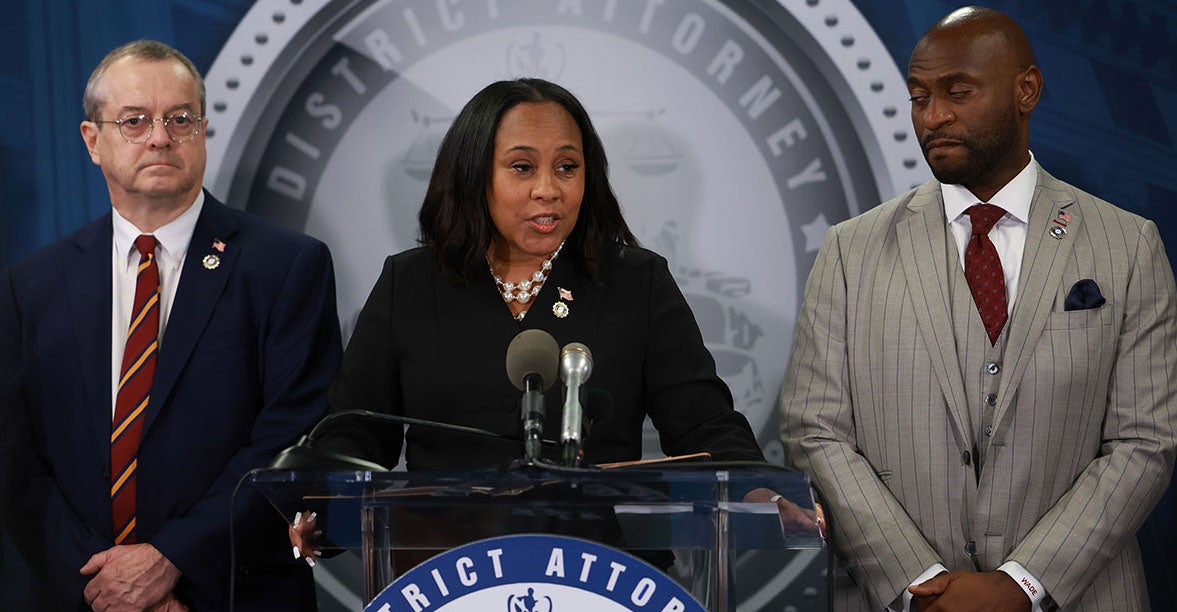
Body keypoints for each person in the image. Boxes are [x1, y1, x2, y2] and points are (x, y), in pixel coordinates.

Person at [290, 78, 817, 560]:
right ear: (474, 175)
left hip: (602, 573)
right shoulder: (410, 283)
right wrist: (320, 509)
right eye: (522, 167)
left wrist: (759, 489)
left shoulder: (635, 280)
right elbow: (355, 431)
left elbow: (703, 423)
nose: (549, 189)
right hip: (446, 574)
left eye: (567, 167)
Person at [779, 6, 1176, 612]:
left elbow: (1144, 440)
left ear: (1026, 90)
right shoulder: (849, 251)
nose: (933, 116)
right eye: (918, 98)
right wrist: (919, 583)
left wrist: (1023, 584)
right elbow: (814, 431)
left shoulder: (1128, 245)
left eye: (957, 92)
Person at [0, 40, 342, 610]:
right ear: (93, 141)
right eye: (134, 121)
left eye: (180, 119)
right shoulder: (31, 286)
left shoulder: (286, 266)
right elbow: (15, 459)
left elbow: (293, 441)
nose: (160, 137)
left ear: (202, 131)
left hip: (234, 594)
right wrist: (104, 587)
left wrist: (170, 560)